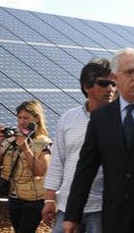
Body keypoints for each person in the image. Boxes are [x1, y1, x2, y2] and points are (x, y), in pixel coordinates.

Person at [64, 48, 134, 233]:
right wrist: (72, 216)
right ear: (115, 78)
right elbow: (85, 169)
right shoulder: (100, 118)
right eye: (130, 72)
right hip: (115, 217)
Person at [41, 58, 115, 233]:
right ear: (86, 87)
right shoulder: (68, 118)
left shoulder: (121, 121)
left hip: (102, 209)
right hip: (67, 206)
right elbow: (58, 160)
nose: (111, 88)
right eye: (104, 83)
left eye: (113, 83)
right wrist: (49, 199)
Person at [0, 100, 52, 233]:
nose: (22, 121)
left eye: (26, 118)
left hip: (33, 201)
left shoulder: (41, 142)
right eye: (19, 118)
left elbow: (40, 171)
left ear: (36, 118)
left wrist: (25, 149)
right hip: (14, 198)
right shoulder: (11, 140)